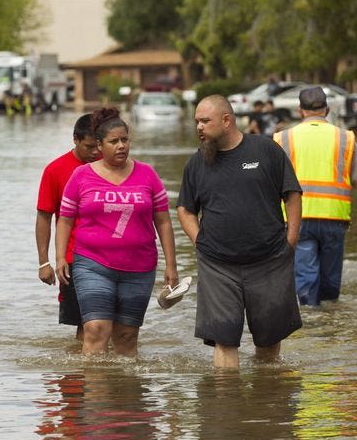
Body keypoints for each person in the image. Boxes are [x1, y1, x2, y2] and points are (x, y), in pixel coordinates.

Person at [177, 94, 303, 368]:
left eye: (204, 121)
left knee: (269, 344)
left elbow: (292, 194)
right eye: (196, 121)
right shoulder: (197, 163)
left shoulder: (266, 150)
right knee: (225, 339)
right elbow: (185, 209)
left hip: (270, 261)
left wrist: (291, 240)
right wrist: (201, 241)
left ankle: (266, 401)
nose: (198, 127)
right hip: (217, 265)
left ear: (226, 120)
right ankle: (226, 406)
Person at [55, 107, 179, 357]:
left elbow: (164, 222)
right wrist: (59, 258)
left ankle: (125, 393)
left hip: (139, 267)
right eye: (114, 141)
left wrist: (171, 266)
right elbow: (65, 220)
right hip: (92, 265)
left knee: (126, 336)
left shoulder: (148, 174)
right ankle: (96, 393)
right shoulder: (81, 176)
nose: (121, 145)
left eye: (125, 140)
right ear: (99, 145)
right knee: (95, 329)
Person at [273, 86, 356, 306]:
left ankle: (312, 325)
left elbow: (271, 184)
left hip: (297, 218)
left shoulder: (282, 138)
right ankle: (331, 328)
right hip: (334, 217)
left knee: (306, 280)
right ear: (327, 109)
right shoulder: (347, 138)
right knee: (331, 281)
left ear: (300, 111)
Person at [36, 113, 99, 340]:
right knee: (86, 325)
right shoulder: (55, 170)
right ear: (75, 139)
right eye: (89, 146)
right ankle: (80, 375)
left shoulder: (111, 166)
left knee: (117, 325)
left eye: (98, 146)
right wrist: (44, 262)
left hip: (110, 257)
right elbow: (44, 217)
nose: (95, 153)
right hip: (74, 259)